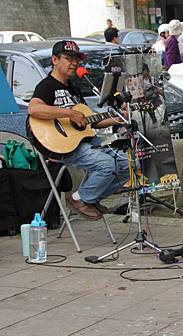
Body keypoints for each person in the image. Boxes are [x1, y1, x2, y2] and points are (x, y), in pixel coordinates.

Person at [28, 40, 129, 220]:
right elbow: (34, 109)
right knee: (106, 165)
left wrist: (121, 117)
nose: (74, 63)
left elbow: (91, 123)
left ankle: (89, 198)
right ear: (54, 60)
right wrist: (69, 113)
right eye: (69, 58)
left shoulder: (74, 89)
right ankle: (78, 199)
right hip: (64, 146)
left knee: (127, 163)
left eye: (77, 59)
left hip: (86, 142)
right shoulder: (47, 86)